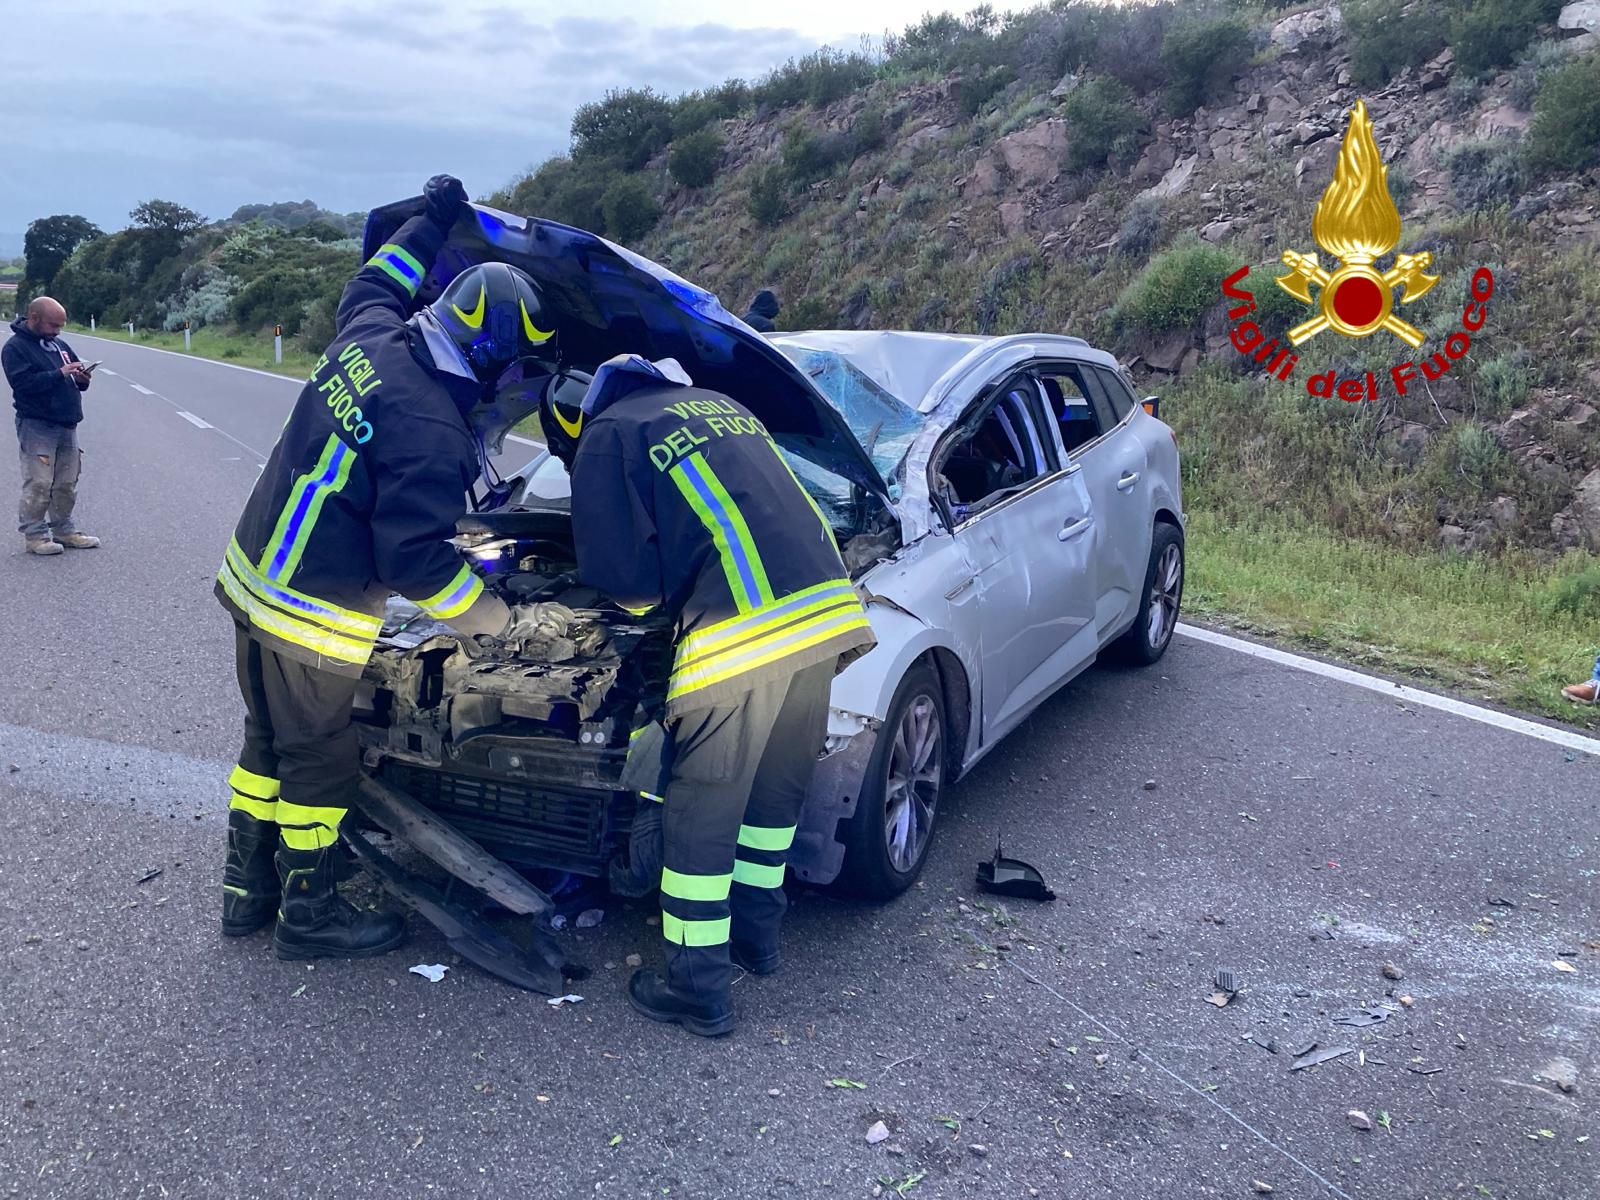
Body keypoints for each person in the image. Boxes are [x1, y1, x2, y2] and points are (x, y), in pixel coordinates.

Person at [217, 174, 559, 961]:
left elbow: (376, 279)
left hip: (253, 577)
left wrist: (431, 221)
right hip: (313, 610)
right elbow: (415, 562)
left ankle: (247, 891)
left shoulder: (371, 333)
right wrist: (498, 623)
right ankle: (310, 914)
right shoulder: (433, 428)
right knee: (321, 756)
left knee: (266, 740)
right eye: (512, 368)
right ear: (488, 353)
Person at [539, 354, 876, 1036]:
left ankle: (697, 987)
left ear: (572, 419)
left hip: (740, 634)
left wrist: (628, 618)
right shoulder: (721, 407)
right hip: (824, 615)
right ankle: (756, 940)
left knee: (701, 813)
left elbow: (625, 580)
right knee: (772, 800)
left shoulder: (609, 432)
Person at [3, 296, 100, 555]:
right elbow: (23, 384)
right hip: (37, 425)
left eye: (60, 326)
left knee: (66, 482)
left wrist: (82, 379)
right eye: (53, 325)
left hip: (67, 423)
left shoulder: (59, 345)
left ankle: (64, 531)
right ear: (34, 318)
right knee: (39, 482)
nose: (57, 331)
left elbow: (74, 377)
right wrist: (59, 374)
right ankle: (35, 536)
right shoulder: (15, 348)